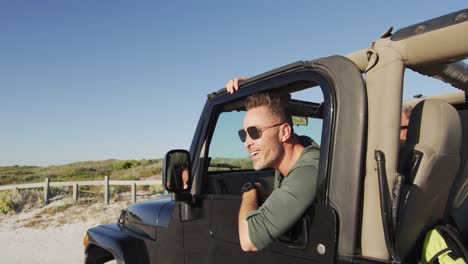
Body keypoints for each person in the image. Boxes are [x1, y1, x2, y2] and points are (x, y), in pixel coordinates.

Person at [226, 78, 319, 251]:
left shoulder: (309, 170)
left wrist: (249, 191)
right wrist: (258, 85)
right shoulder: (293, 156)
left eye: (254, 132)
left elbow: (248, 241)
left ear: (284, 132)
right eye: (243, 134)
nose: (247, 143)